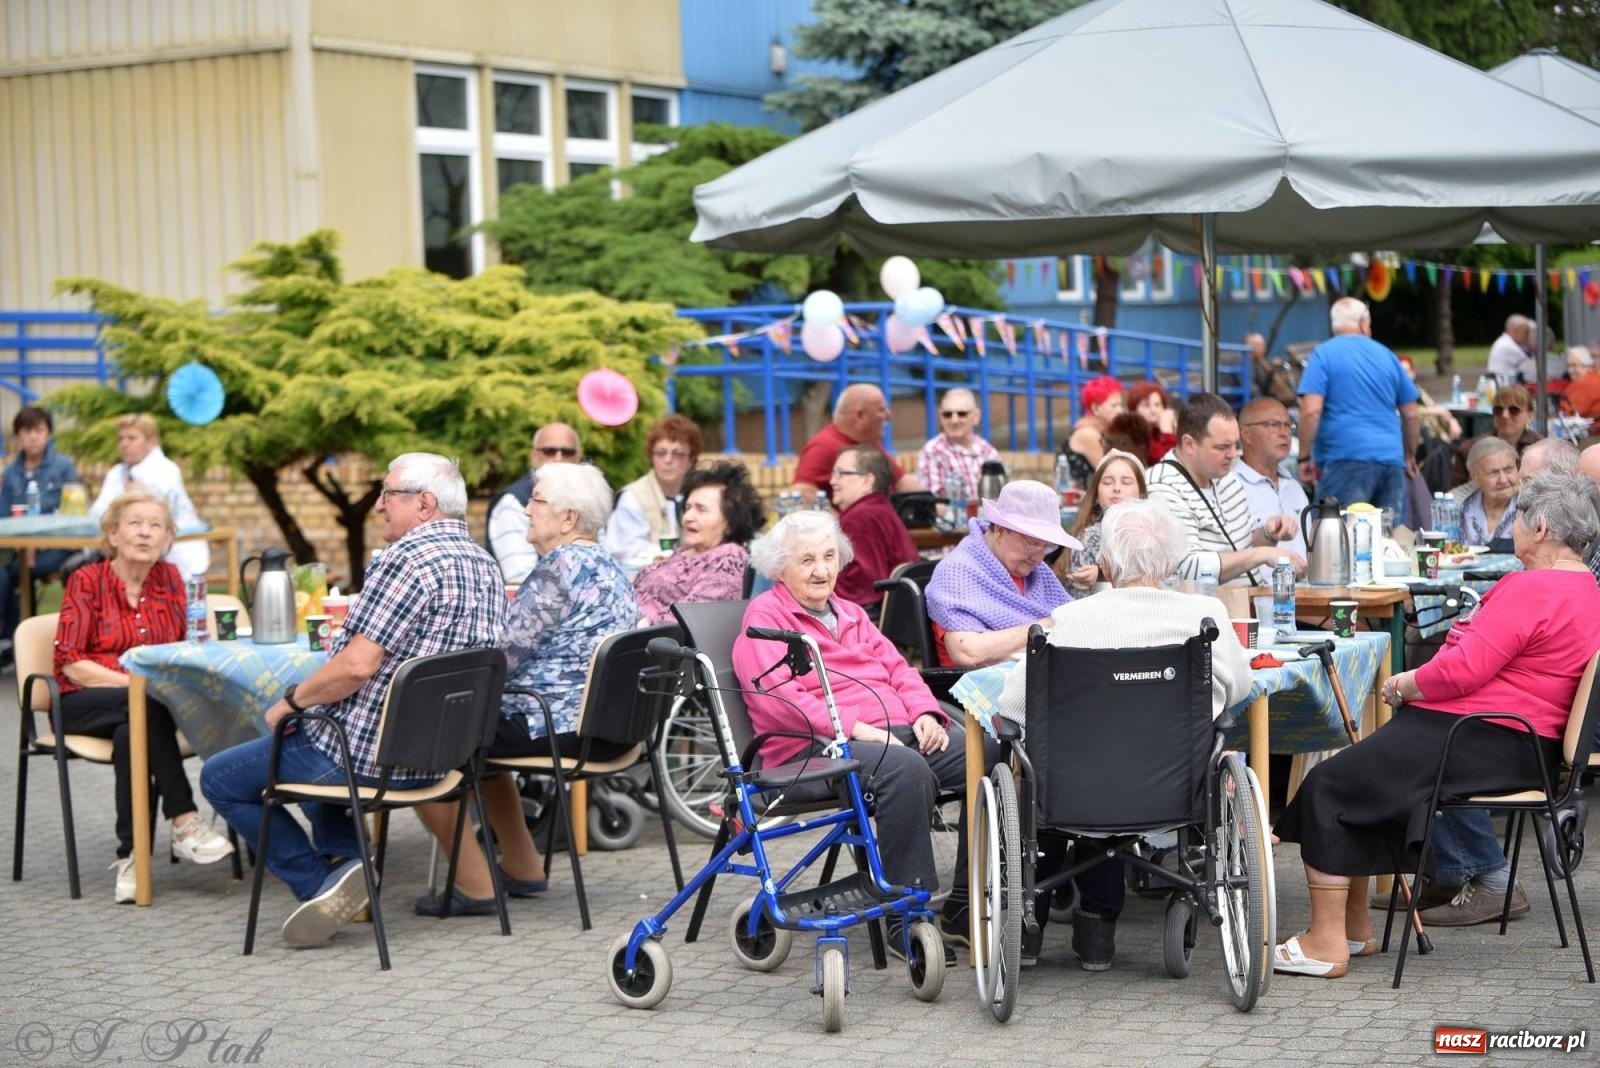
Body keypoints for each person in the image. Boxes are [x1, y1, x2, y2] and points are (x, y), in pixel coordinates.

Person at [1275, 470, 1600, 974]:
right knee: (1365, 785)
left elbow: (1463, 669)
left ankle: (1325, 943)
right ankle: (1354, 930)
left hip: (1477, 735)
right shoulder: (1589, 591)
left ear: (1539, 528)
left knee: (1329, 785)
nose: (1511, 526)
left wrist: (1402, 684)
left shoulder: (1533, 588)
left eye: (1517, 517)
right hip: (1521, 744)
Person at [201, 453, 506, 948]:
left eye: (389, 495)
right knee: (313, 733)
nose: (380, 506)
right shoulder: (485, 563)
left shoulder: (405, 559)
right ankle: (349, 868)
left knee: (221, 776)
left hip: (372, 757)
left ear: (424, 503)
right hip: (445, 756)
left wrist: (291, 703)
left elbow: (356, 667)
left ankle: (316, 881)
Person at [998, 499, 1253, 969]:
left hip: (1072, 794)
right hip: (1177, 793)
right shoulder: (1204, 615)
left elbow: (1011, 708)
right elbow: (1240, 687)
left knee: (1023, 753)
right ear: (1173, 562)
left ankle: (1038, 924)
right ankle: (1097, 927)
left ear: (1108, 563)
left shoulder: (1069, 620)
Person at [732, 510, 993, 960]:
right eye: (807, 559)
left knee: (984, 749)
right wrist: (860, 730)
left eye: (830, 556)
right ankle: (905, 915)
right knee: (905, 770)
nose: (822, 570)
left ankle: (966, 901)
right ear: (780, 568)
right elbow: (783, 702)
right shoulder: (766, 620)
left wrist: (926, 712)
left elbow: (898, 670)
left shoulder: (850, 613)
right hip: (812, 753)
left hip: (893, 734)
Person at [410, 463, 642, 916]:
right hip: (608, 726)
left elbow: (501, 658)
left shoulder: (559, 569)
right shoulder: (609, 567)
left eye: (536, 500)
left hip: (555, 723)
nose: (524, 509)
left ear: (568, 518)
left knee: (429, 733)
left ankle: (474, 887)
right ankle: (522, 865)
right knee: (478, 733)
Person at [56, 489, 236, 902]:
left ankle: (132, 857)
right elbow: (70, 663)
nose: (145, 533)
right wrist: (137, 685)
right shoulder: (87, 580)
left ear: (168, 539)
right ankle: (184, 820)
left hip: (145, 710)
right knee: (145, 702)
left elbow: (180, 649)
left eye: (156, 526)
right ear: (113, 534)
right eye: (135, 523)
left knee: (130, 735)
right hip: (82, 700)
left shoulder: (170, 580)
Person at [1147, 394, 1304, 586]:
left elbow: (1241, 546)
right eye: (1222, 447)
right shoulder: (1162, 486)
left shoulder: (1227, 477)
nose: (1232, 455)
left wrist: (1268, 534)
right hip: (1205, 612)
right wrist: (1261, 554)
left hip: (1248, 605)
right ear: (1189, 444)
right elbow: (1186, 567)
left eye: (1234, 445)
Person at [925, 480, 1076, 667]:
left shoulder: (1036, 572)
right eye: (1032, 543)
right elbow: (968, 652)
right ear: (1000, 530)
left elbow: (1073, 618)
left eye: (1046, 547)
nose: (1039, 558)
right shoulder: (956, 573)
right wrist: (1048, 626)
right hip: (975, 686)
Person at [1297, 297, 1421, 524]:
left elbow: (1311, 411)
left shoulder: (1323, 354)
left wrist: (1304, 456)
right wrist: (1409, 454)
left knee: (1337, 541)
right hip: (1391, 461)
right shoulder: (1387, 355)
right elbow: (1411, 414)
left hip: (1345, 458)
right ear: (1363, 322)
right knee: (1390, 543)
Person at [633, 460, 765, 625]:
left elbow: (692, 620)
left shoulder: (728, 558)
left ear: (730, 522)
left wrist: (639, 623)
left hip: (649, 641)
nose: (688, 517)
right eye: (688, 508)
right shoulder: (686, 550)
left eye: (701, 509)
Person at [88, 414, 208, 579]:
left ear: (152, 442)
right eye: (121, 439)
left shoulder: (167, 471)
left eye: (132, 438)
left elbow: (163, 516)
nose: (124, 444)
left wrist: (142, 495)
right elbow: (97, 514)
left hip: (174, 554)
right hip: (125, 553)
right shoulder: (116, 473)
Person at [0, 406, 81, 642]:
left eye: (38, 430)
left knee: (14, 572)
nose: (33, 437)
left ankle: (19, 639)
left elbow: (73, 510)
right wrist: (25, 545)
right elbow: (4, 514)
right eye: (26, 431)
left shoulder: (64, 467)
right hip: (18, 549)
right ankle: (11, 642)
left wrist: (37, 543)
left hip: (58, 547)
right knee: (4, 575)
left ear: (48, 434)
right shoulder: (11, 472)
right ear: (18, 436)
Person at [486, 422, 582, 584]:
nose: (558, 458)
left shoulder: (585, 499)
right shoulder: (513, 502)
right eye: (549, 451)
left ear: (578, 458)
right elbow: (521, 579)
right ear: (534, 456)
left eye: (567, 452)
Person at [791, 383, 918, 505]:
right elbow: (802, 491)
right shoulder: (823, 447)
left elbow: (902, 481)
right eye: (881, 410)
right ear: (860, 416)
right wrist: (842, 523)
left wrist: (931, 506)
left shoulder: (868, 442)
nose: (888, 416)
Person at [601, 414, 699, 569]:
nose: (668, 460)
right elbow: (626, 552)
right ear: (651, 457)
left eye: (677, 453)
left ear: (691, 459)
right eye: (661, 453)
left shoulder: (698, 495)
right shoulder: (633, 497)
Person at [829, 445, 919, 611]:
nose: (832, 481)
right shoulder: (878, 509)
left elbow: (861, 592)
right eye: (833, 474)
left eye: (841, 473)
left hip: (874, 623)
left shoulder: (860, 517)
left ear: (867, 481)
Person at [1054, 449, 1145, 596]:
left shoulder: (1154, 536)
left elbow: (1166, 584)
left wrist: (1103, 577)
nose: (1117, 488)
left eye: (1126, 482)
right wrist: (1100, 583)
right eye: (1108, 482)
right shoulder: (1086, 540)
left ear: (1142, 493)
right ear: (1096, 495)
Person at [1233, 397, 1309, 567]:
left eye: (1288, 425)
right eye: (1274, 425)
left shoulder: (1295, 488)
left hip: (1302, 591)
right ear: (1246, 434)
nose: (1284, 433)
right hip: (1253, 592)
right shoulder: (1229, 486)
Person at [916, 387, 1001, 504]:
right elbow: (934, 503)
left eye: (962, 414)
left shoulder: (987, 450)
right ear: (940, 417)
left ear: (976, 417)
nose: (954, 420)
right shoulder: (933, 451)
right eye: (947, 414)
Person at [1452, 383, 1542, 488]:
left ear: (1530, 416)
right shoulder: (1470, 448)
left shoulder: (1542, 450)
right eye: (1498, 410)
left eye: (1514, 410)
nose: (1505, 415)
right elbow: (1456, 494)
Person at [1059, 375, 1124, 488]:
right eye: (1114, 406)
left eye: (1120, 405)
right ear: (1095, 408)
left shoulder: (1096, 430)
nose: (1120, 410)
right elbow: (1112, 472)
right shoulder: (1088, 434)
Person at [1459, 437, 1520, 547]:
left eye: (1508, 469)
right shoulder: (1459, 508)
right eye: (1493, 473)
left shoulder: (1531, 509)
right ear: (1474, 476)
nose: (1503, 480)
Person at [1126, 381, 1177, 463]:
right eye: (1146, 405)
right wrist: (1167, 433)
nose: (1153, 411)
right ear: (1134, 410)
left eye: (1157, 405)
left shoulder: (1156, 431)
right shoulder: (1135, 434)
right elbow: (1167, 462)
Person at [1486, 313, 1536, 384]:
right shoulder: (1507, 346)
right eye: (1526, 332)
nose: (1528, 335)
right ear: (1514, 331)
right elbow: (1532, 367)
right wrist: (1531, 344)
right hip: (1504, 389)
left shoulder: (1507, 342)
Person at [1562, 346, 1600, 418]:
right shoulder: (1596, 378)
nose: (1570, 371)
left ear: (1588, 366)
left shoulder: (1584, 384)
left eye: (1574, 366)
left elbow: (1569, 414)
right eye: (1569, 366)